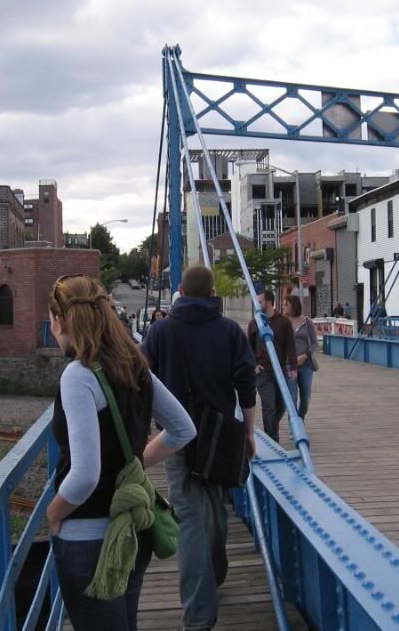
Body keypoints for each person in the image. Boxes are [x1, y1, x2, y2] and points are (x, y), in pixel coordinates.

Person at [45, 275, 196, 631]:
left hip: (91, 540)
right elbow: (183, 429)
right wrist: (132, 463)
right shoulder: (135, 365)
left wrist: (53, 512)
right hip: (134, 532)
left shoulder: (78, 376)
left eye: (50, 318)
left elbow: (85, 476)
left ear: (61, 320)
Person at [141, 264, 257, 631]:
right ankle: (215, 573)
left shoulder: (160, 331)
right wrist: (249, 433)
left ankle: (199, 617)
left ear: (180, 290)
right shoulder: (229, 331)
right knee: (216, 509)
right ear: (212, 294)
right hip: (221, 439)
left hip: (177, 440)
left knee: (190, 520)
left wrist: (143, 432)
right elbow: (246, 384)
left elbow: (140, 383)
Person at [247, 289, 297, 443]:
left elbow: (290, 345)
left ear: (269, 302)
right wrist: (254, 365)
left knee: (281, 405)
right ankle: (273, 439)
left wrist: (293, 366)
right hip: (262, 371)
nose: (257, 304)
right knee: (269, 406)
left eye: (260, 301)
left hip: (280, 370)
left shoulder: (284, 322)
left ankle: (271, 428)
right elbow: (248, 347)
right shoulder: (254, 323)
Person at [282, 294, 317, 420]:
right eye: (283, 305)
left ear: (294, 306)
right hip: (289, 365)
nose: (283, 307)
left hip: (305, 365)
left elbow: (314, 343)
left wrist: (305, 356)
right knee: (292, 397)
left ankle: (300, 419)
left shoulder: (307, 322)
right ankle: (294, 425)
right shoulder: (283, 322)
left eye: (286, 305)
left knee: (305, 398)